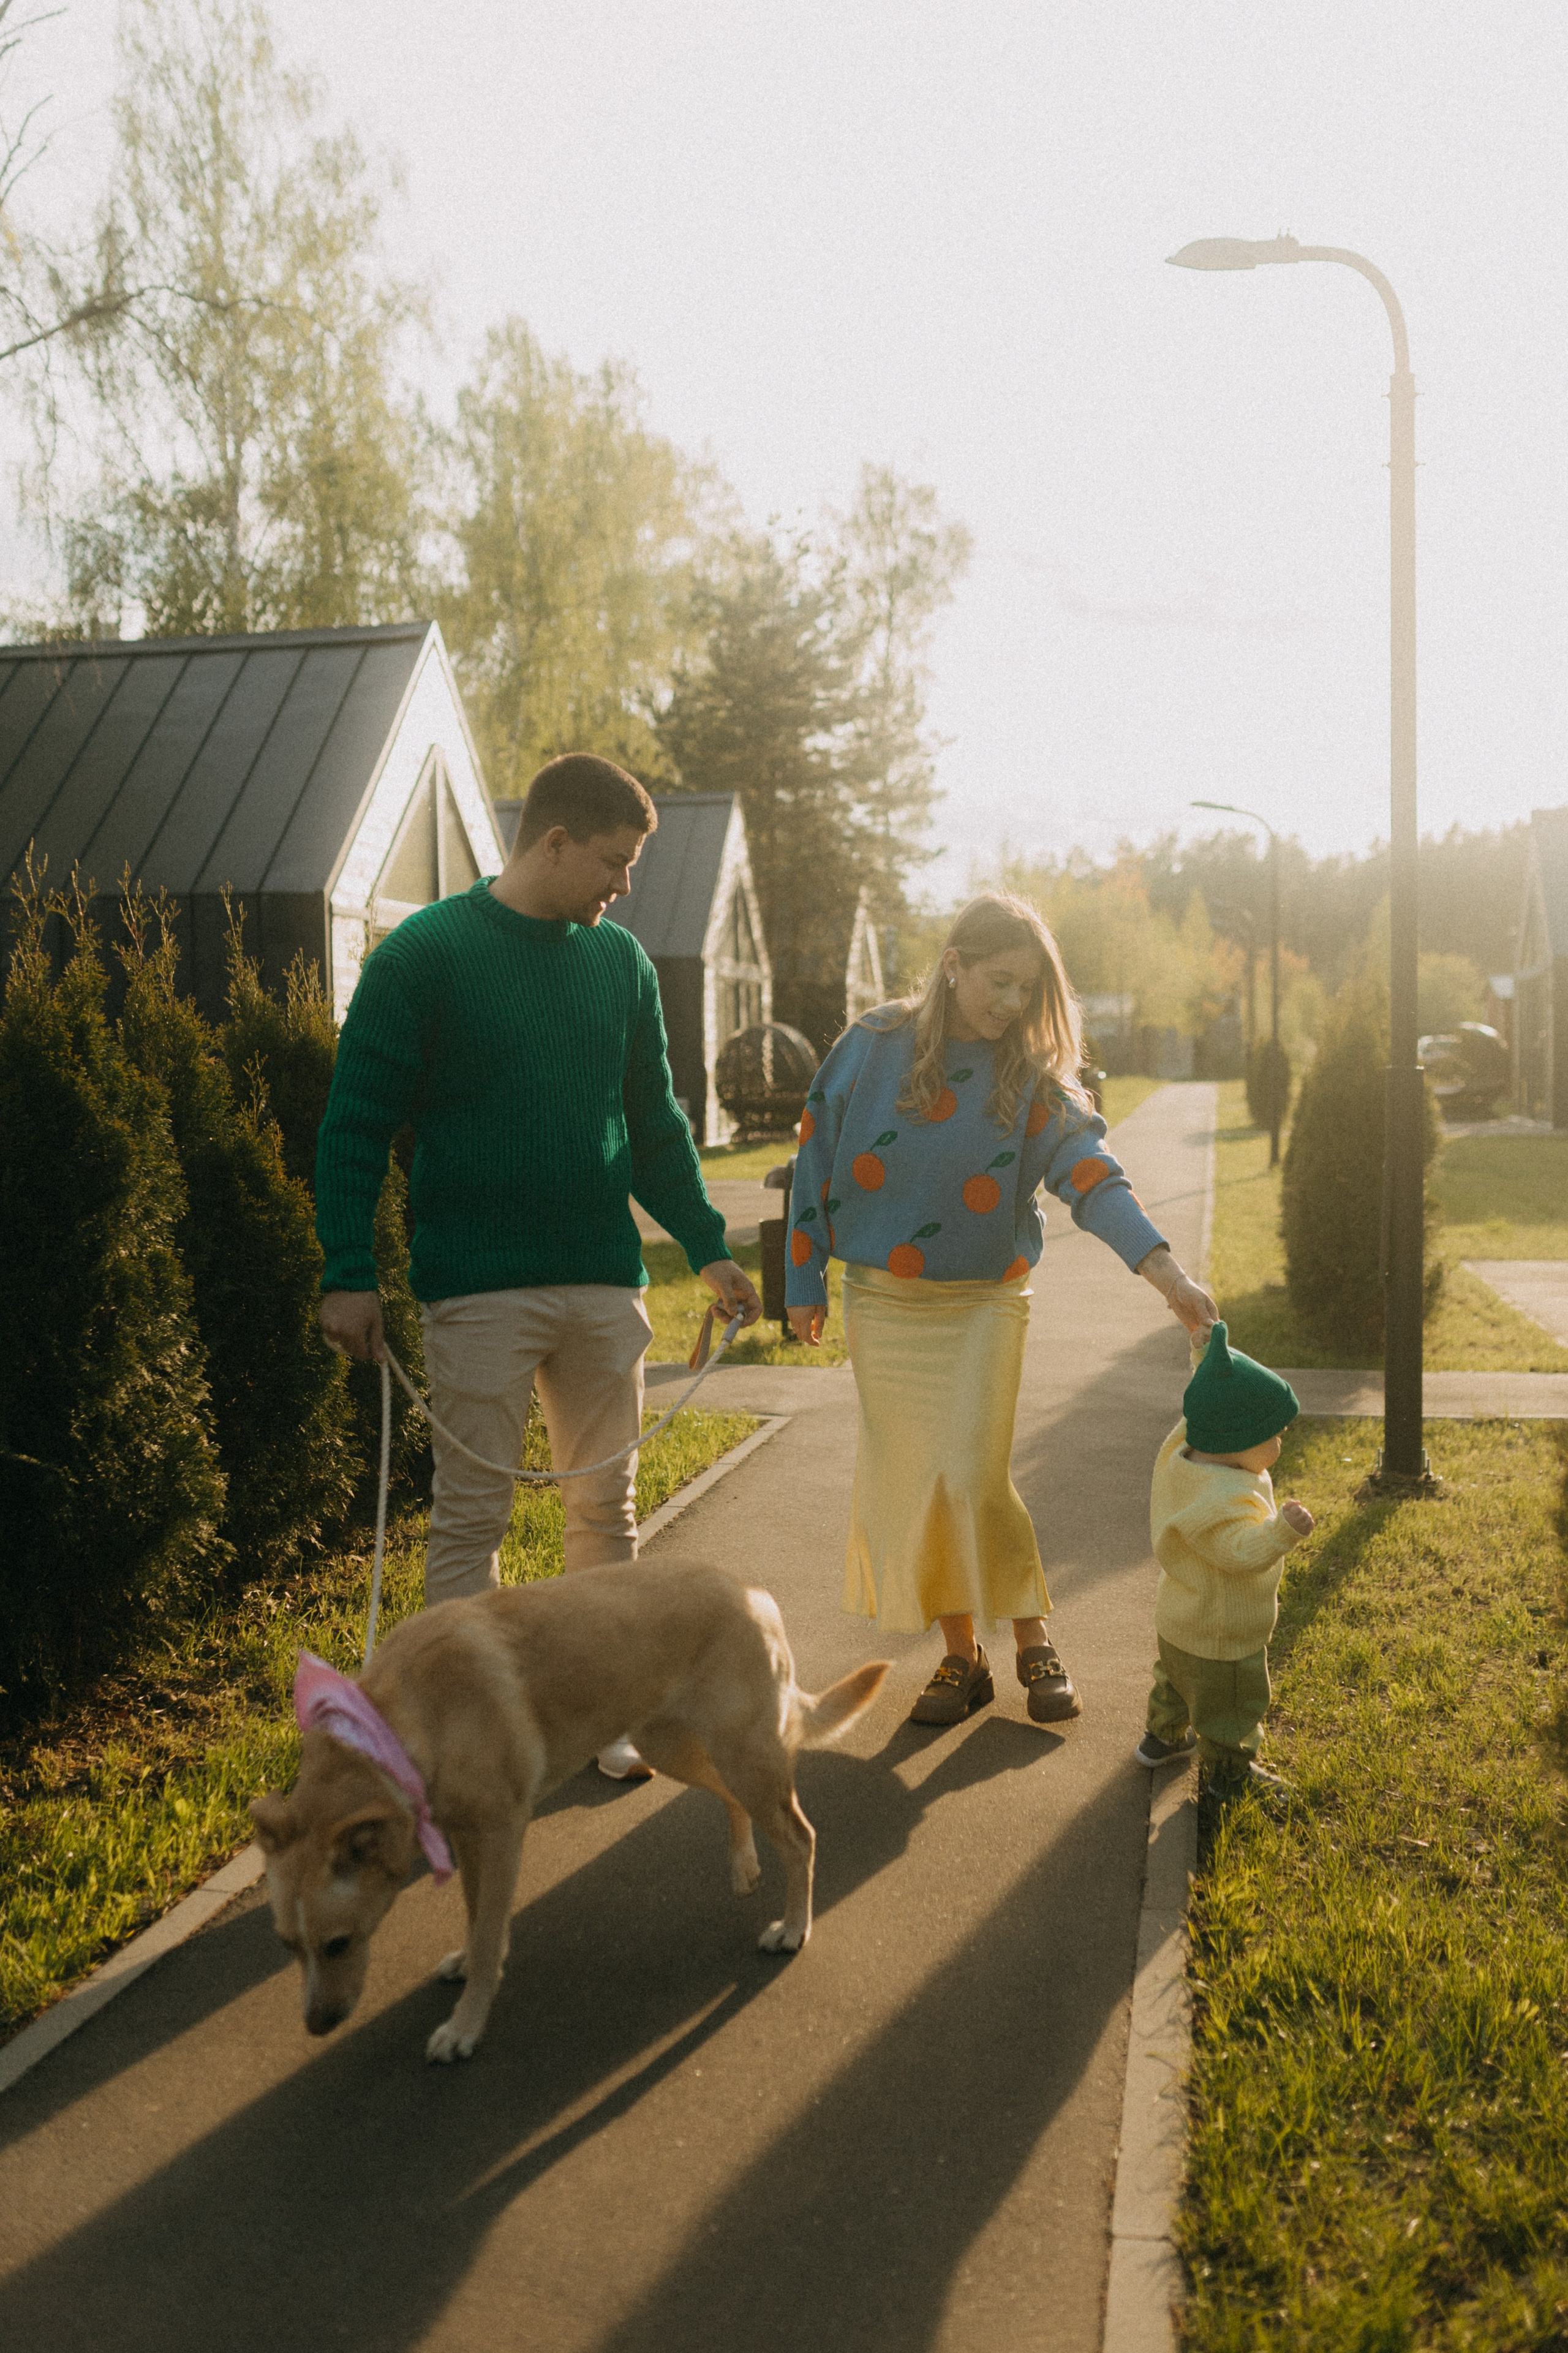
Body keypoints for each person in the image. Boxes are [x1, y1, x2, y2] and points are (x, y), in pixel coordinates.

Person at [314, 752, 761, 1779]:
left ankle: (603, 1715)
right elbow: (354, 1122)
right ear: (552, 842)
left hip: (604, 1284)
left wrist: (707, 1249)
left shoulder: (622, 966)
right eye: (613, 860)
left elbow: (654, 1125)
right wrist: (348, 1267)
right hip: (477, 1288)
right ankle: (465, 1735)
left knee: (607, 1510)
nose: (625, 883)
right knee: (473, 1518)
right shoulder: (425, 954)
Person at [785, 891, 1216, 1726]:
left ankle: (1032, 1639)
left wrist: (1168, 1276)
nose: (1016, 1005)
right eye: (1001, 983)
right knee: (921, 1483)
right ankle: (961, 1658)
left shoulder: (1031, 1077)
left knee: (972, 1474)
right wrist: (801, 1283)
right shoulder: (870, 1047)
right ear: (955, 967)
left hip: (986, 1300)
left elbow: (1094, 1177)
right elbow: (813, 1160)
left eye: (1030, 990)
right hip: (884, 1303)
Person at [1136, 1320, 1314, 1799]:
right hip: (1222, 1638)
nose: (1282, 1442)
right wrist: (1282, 1533)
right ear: (1240, 1439)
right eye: (1275, 1435)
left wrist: (1205, 1359)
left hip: (1179, 1621)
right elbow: (1239, 1553)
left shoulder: (1186, 1447)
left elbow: (1206, 1398)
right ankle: (1230, 1777)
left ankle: (1163, 1738)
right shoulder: (1223, 1500)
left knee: (1174, 1684)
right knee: (1232, 1708)